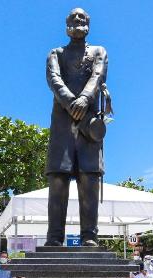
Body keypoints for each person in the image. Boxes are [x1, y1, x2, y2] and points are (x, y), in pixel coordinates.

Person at [43, 8, 109, 248]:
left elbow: (98, 75)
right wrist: (72, 102)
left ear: (88, 24)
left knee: (89, 181)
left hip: (88, 127)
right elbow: (53, 79)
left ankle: (89, 236)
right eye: (73, 18)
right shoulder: (56, 53)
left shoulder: (99, 51)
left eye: (82, 18)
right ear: (66, 24)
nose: (78, 20)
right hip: (62, 126)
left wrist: (84, 99)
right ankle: (54, 237)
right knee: (57, 181)